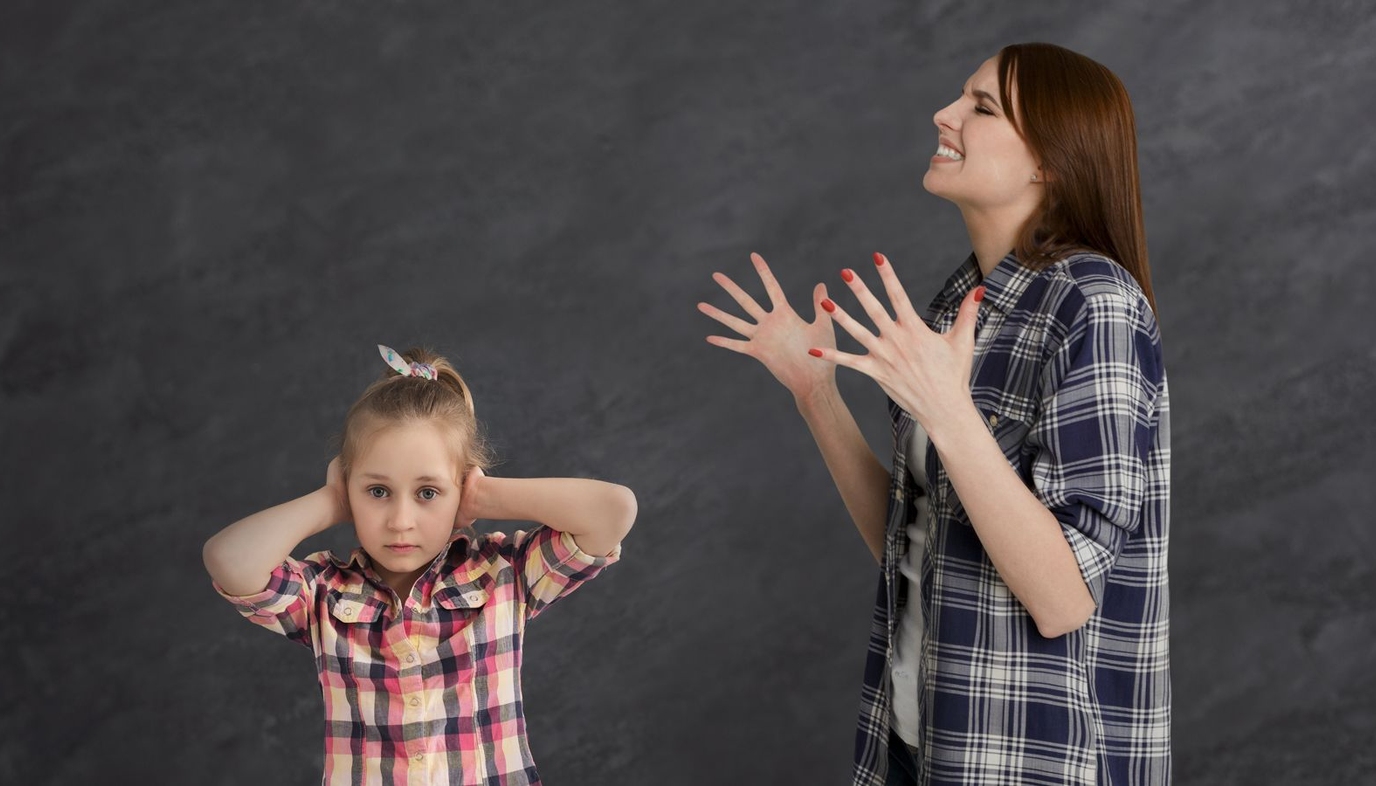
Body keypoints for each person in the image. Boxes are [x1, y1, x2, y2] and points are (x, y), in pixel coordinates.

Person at [699, 42, 1169, 785]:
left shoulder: (1094, 304)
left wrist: (950, 414)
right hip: (921, 743)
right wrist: (815, 393)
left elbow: (1064, 600)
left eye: (981, 107)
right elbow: (915, 541)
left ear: (1051, 159)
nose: (943, 115)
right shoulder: (958, 307)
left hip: (1028, 762)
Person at [202, 344, 637, 785]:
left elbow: (613, 511)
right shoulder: (323, 592)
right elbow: (228, 560)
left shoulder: (504, 573)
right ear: (349, 487)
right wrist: (328, 503)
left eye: (428, 493)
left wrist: (484, 496)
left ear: (461, 488)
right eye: (377, 491)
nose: (400, 522)